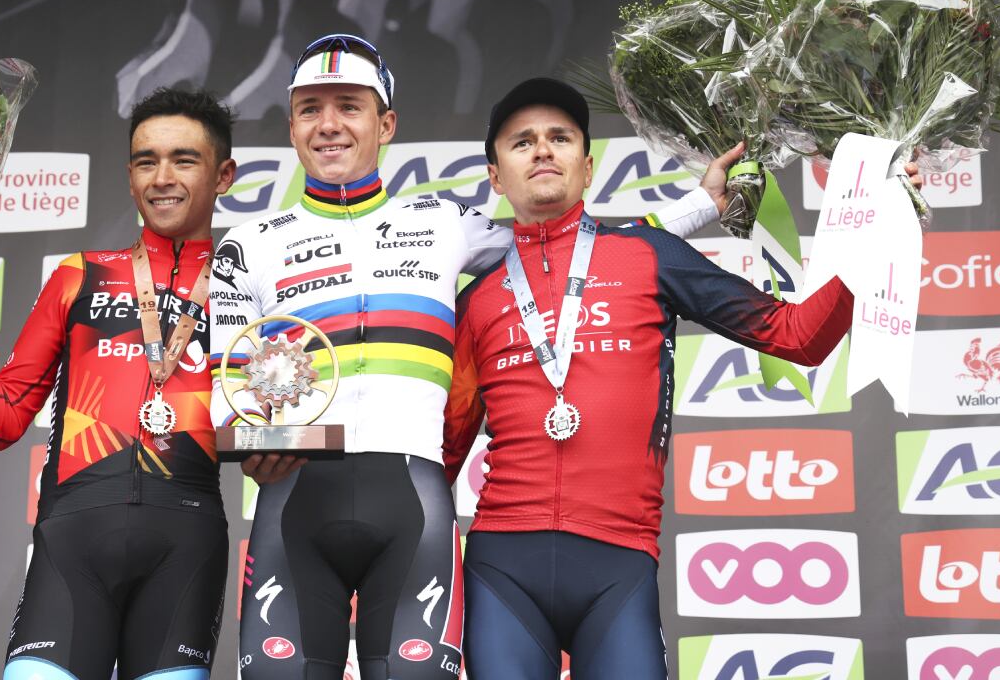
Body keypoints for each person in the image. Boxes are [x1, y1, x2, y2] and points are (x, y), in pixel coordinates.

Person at [208, 35, 728, 680]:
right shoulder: (248, 243)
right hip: (295, 506)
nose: (330, 124)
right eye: (310, 108)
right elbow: (226, 400)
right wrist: (263, 438)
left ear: (386, 123)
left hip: (412, 505)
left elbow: (570, 246)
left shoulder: (446, 221)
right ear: (291, 127)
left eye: (350, 105)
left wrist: (701, 206)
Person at [441, 77, 922, 679]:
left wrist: (879, 237)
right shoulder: (478, 298)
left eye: (560, 137)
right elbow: (442, 454)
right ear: (494, 176)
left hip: (618, 570)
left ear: (587, 167)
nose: (542, 150)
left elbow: (799, 336)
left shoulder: (648, 254)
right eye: (522, 142)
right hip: (501, 567)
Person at [0, 88, 237, 680]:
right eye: (146, 161)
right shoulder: (78, 276)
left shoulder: (249, 287)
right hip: (74, 538)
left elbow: (272, 418)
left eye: (183, 159)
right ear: (130, 173)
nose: (162, 177)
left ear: (223, 175)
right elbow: (5, 417)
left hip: (185, 543)